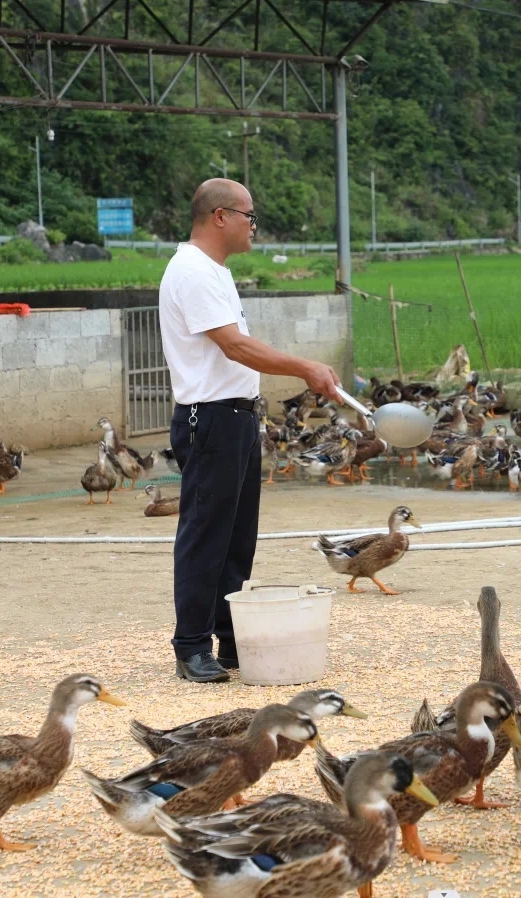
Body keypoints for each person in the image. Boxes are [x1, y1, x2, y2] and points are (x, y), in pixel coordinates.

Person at [159, 178, 341, 683]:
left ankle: (229, 638)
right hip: (209, 416)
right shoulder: (192, 271)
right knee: (205, 533)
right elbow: (234, 346)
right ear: (220, 216)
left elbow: (236, 346)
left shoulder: (215, 272)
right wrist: (304, 367)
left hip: (237, 414)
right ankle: (191, 645)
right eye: (249, 215)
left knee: (237, 537)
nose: (253, 226)